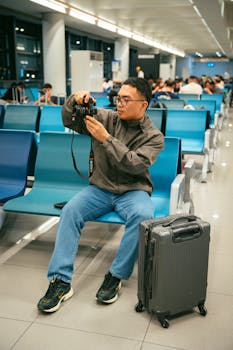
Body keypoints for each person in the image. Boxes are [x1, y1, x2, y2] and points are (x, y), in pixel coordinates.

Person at [37, 77, 164, 313]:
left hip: (133, 191)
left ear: (144, 104)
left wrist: (106, 139)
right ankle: (60, 281)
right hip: (100, 189)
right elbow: (69, 120)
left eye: (126, 100)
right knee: (70, 211)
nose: (120, 104)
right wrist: (74, 100)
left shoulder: (154, 137)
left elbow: (135, 164)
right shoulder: (105, 117)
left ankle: (116, 275)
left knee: (143, 215)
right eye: (118, 99)